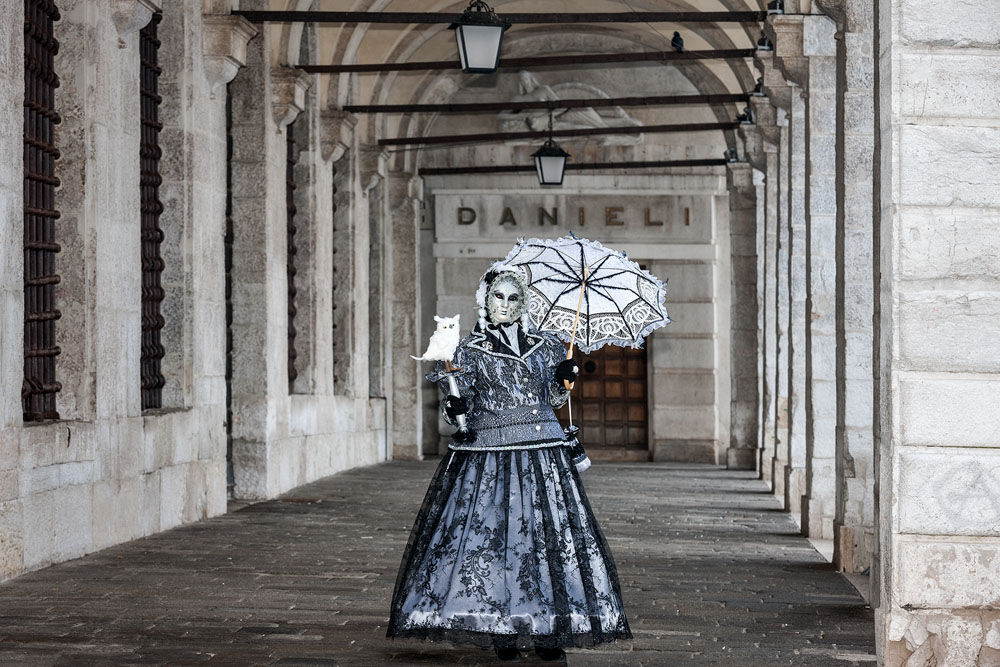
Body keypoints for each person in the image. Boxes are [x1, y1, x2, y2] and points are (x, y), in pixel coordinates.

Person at [387, 269, 632, 663]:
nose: (505, 304)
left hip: (543, 454)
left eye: (513, 297)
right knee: (498, 540)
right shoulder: (469, 349)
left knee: (547, 541)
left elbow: (553, 399)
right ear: (486, 301)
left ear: (524, 302)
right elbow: (459, 409)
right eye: (498, 296)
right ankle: (503, 630)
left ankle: (548, 631)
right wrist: (454, 406)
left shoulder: (549, 345)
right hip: (491, 458)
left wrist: (563, 380)